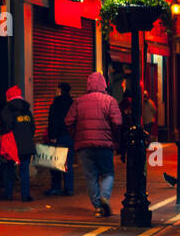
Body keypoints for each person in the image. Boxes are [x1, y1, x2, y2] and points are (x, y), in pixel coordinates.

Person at [65, 71, 123, 217]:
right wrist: (115, 139)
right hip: (105, 144)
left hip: (84, 146)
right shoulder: (110, 101)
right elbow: (117, 122)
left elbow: (68, 121)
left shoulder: (79, 101)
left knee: (91, 176)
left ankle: (97, 207)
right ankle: (104, 196)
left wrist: (77, 136)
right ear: (104, 84)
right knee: (108, 173)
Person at [0, 85, 35, 201]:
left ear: (9, 97)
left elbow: (6, 127)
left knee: (9, 169)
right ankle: (25, 196)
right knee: (24, 171)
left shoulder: (7, 110)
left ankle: (8, 194)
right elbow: (33, 128)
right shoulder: (27, 110)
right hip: (27, 144)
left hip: (12, 145)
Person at [44, 82, 75, 196]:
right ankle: (69, 188)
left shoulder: (56, 104)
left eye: (57, 90)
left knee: (56, 164)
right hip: (70, 137)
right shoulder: (72, 104)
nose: (55, 91)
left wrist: (52, 136)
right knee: (68, 163)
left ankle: (56, 187)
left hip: (58, 137)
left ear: (60, 91)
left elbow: (53, 121)